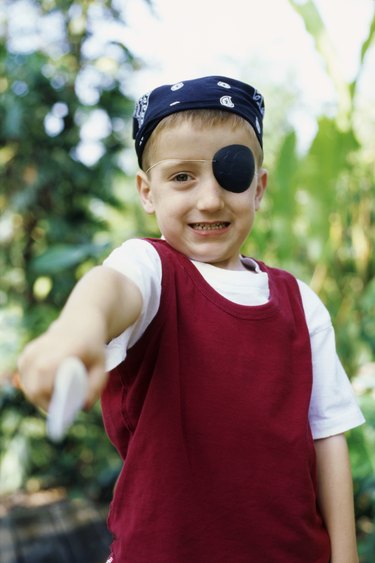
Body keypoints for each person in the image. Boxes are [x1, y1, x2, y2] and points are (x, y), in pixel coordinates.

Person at [18, 75, 365, 563]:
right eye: (182, 176)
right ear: (147, 191)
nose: (209, 200)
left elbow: (328, 437)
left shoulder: (300, 302)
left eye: (232, 173)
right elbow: (109, 289)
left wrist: (345, 556)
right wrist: (74, 334)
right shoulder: (152, 269)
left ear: (259, 187)